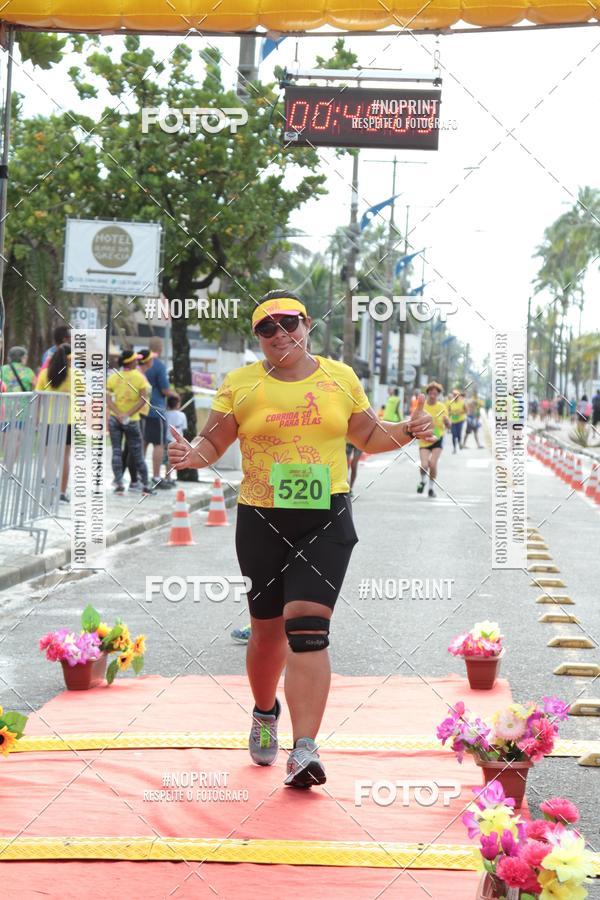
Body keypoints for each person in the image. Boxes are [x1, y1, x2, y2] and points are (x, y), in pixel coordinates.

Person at [168, 290, 434, 788]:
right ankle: (265, 711)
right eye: (266, 329)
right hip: (261, 518)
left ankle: (305, 748)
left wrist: (407, 430)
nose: (279, 334)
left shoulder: (339, 378)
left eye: (287, 323)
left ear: (307, 324)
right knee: (266, 630)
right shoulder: (241, 384)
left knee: (307, 627)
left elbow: (369, 437)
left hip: (325, 516)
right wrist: (191, 456)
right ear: (257, 338)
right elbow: (214, 442)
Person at [106, 350, 153, 496]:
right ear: (132, 362)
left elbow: (107, 399)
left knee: (116, 451)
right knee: (137, 453)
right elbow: (143, 399)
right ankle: (145, 485)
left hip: (114, 419)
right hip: (132, 420)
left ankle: (119, 484)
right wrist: (128, 414)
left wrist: (118, 413)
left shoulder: (113, 377)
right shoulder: (139, 378)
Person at [35, 343, 72, 501]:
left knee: (49, 456)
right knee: (64, 458)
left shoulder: (44, 374)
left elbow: (38, 397)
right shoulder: (76, 375)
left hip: (48, 420)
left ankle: (49, 488)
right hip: (68, 421)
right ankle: (62, 493)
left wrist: (37, 418)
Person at [143, 336, 175, 489]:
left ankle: (139, 475)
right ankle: (156, 477)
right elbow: (165, 389)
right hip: (157, 410)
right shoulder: (159, 366)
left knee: (143, 442)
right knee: (158, 444)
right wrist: (176, 395)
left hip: (141, 409)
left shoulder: (141, 363)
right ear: (160, 348)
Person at [417, 381, 450, 497]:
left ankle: (431, 488)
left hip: (438, 438)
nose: (432, 395)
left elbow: (448, 424)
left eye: (435, 394)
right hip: (424, 439)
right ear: (427, 394)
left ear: (438, 395)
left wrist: (447, 422)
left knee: (433, 464)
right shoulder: (422, 406)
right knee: (424, 465)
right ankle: (423, 481)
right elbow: (415, 419)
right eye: (430, 393)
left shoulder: (442, 407)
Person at [165, 393, 187, 485]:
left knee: (166, 460)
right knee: (172, 459)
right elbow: (184, 428)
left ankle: (167, 477)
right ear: (178, 404)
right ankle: (168, 478)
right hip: (176, 440)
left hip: (166, 439)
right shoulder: (182, 415)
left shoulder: (165, 414)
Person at [446, 387, 467, 453]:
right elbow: (448, 412)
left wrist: (460, 412)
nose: (455, 396)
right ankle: (454, 448)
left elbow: (466, 410)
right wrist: (449, 416)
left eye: (456, 395)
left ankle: (460, 443)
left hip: (460, 420)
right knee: (453, 434)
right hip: (453, 421)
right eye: (454, 395)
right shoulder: (450, 403)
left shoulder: (462, 402)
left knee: (459, 434)